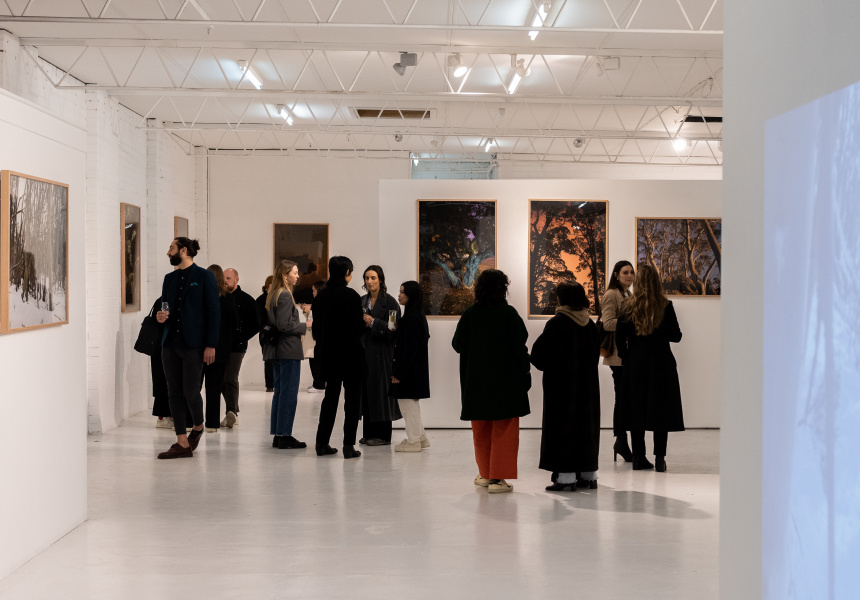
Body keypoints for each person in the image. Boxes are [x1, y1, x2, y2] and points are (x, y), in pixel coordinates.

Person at [452, 269, 530, 493]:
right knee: (504, 430)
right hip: (506, 384)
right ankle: (497, 479)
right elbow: (520, 346)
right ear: (503, 289)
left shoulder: (470, 314)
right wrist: (525, 371)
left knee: (481, 430)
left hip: (476, 383)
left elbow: (457, 345)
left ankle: (486, 474)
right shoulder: (509, 314)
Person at [531, 282, 601, 491]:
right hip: (588, 387)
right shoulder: (590, 325)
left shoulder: (558, 323)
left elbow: (538, 356)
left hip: (561, 388)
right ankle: (589, 475)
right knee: (586, 428)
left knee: (563, 427)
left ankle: (565, 478)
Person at [155, 237, 220, 459]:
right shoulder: (169, 278)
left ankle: (198, 426)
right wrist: (161, 316)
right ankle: (182, 442)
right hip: (169, 344)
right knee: (173, 392)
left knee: (191, 392)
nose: (168, 252)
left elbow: (214, 313)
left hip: (194, 345)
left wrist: (211, 344)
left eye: (171, 248)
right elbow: (165, 307)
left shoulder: (204, 277)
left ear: (183, 250)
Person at [616, 264, 684, 472]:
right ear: (656, 281)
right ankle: (660, 459)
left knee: (635, 409)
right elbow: (676, 336)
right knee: (660, 410)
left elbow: (619, 337)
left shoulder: (628, 306)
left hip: (635, 364)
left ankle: (638, 457)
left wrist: (627, 357)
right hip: (661, 364)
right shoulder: (665, 305)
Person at [312, 255, 364, 459]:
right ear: (347, 273)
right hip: (351, 355)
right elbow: (358, 328)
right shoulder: (352, 296)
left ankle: (321, 443)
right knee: (352, 402)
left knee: (330, 399)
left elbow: (316, 330)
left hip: (329, 355)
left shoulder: (321, 297)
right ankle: (348, 446)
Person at [262, 260, 309, 450]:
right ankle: (284, 435)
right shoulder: (285, 295)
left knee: (281, 393)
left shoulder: (275, 293)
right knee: (288, 393)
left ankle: (279, 434)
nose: (298, 276)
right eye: (294, 273)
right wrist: (306, 325)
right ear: (285, 275)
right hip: (287, 349)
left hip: (279, 350)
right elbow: (284, 325)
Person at [358, 265, 402, 446]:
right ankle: (369, 433)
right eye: (367, 278)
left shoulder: (390, 303)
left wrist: (373, 322)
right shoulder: (362, 301)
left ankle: (383, 436)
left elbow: (393, 329)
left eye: (373, 278)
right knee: (367, 393)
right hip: (365, 353)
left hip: (382, 355)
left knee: (381, 394)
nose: (369, 282)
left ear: (381, 280)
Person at [600, 260, 635, 462]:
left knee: (625, 399)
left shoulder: (627, 294)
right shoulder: (612, 294)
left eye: (631, 272)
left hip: (627, 353)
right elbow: (607, 323)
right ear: (616, 274)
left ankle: (621, 441)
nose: (630, 276)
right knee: (621, 399)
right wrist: (632, 324)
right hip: (617, 355)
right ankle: (621, 440)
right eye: (625, 272)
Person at [391, 280, 431, 452]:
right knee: (412, 404)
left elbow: (410, 350)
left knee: (408, 405)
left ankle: (413, 441)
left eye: (402, 292)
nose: (399, 295)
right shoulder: (415, 315)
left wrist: (398, 373)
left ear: (411, 295)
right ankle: (421, 437)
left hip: (409, 372)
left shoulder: (412, 318)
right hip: (414, 370)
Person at [221, 268, 260, 428]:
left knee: (230, 378)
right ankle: (232, 411)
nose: (225, 281)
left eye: (228, 278)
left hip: (236, 347)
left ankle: (232, 412)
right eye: (223, 278)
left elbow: (256, 324)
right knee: (221, 380)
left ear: (236, 280)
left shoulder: (247, 300)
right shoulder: (220, 297)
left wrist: (240, 338)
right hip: (220, 345)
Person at [202, 265, 237, 432]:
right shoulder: (228, 299)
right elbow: (234, 325)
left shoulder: (202, 298)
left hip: (201, 348)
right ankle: (212, 424)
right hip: (221, 350)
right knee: (214, 388)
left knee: (194, 387)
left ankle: (191, 421)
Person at [300, 280, 327, 393]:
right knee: (314, 361)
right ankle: (318, 383)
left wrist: (309, 311)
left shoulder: (323, 302)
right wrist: (307, 311)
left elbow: (319, 319)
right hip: (315, 337)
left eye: (314, 290)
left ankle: (319, 385)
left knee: (316, 362)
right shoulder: (319, 302)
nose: (313, 293)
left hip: (317, 338)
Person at [256, 276, 275, 393]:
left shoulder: (277, 298)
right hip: (266, 334)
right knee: (269, 360)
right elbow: (259, 321)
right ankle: (270, 385)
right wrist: (267, 330)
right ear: (269, 285)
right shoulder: (261, 300)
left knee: (276, 360)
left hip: (275, 333)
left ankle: (274, 384)